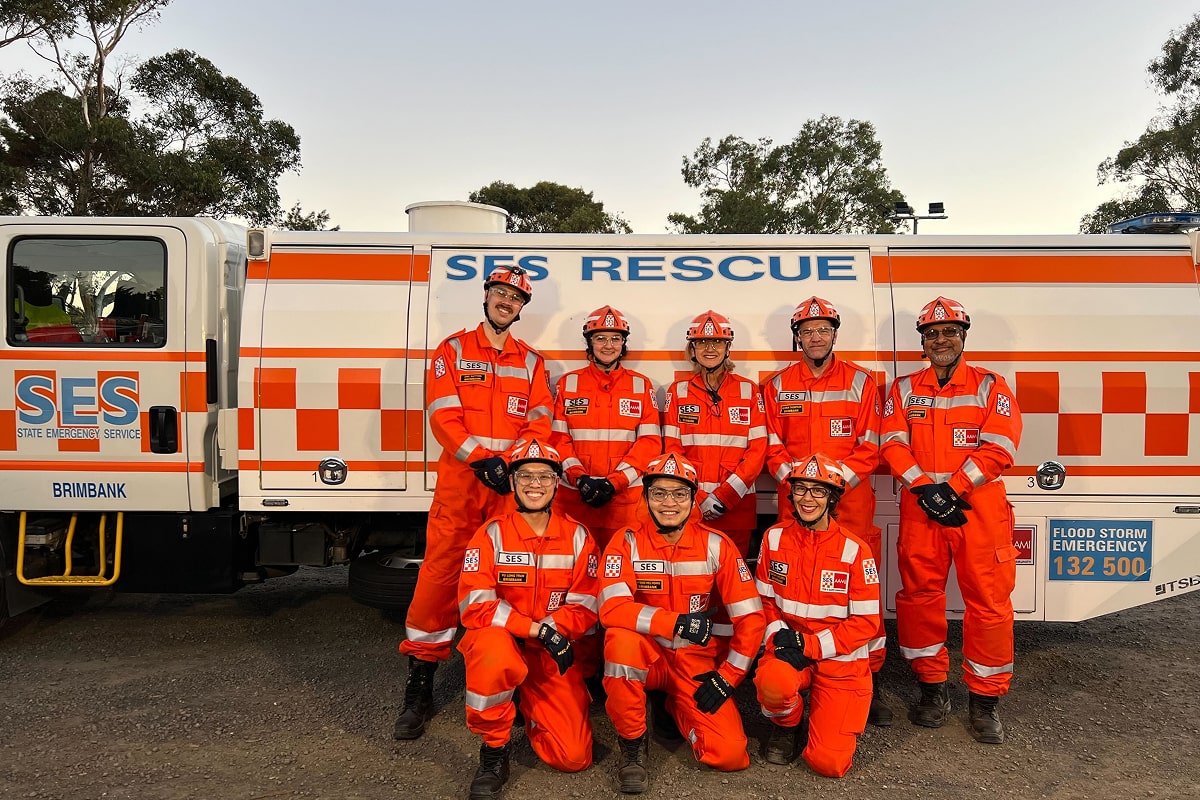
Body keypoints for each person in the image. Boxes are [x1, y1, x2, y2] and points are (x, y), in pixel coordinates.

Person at [394, 265, 555, 741]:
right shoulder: (453, 349)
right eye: (501, 292)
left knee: (512, 578)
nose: (507, 301)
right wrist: (481, 459)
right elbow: (443, 413)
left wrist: (513, 465)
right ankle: (420, 683)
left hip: (509, 489)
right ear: (486, 296)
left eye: (516, 297)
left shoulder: (532, 362)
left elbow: (540, 419)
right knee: (440, 578)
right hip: (462, 485)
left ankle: (512, 681)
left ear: (523, 308)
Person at [879, 296, 1022, 744]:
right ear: (922, 341)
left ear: (963, 337)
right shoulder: (904, 388)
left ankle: (985, 702)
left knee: (990, 604)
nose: (941, 340)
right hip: (922, 510)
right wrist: (925, 488)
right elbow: (891, 442)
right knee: (919, 598)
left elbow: (1000, 446)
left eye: (949, 332)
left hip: (977, 509)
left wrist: (953, 488)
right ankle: (931, 690)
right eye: (932, 333)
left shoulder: (989, 385)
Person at [599, 451, 765, 793]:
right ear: (646, 497)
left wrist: (729, 678)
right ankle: (632, 745)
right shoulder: (626, 541)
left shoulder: (717, 545)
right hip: (645, 653)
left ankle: (673, 703)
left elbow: (750, 618)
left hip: (694, 661)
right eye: (659, 493)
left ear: (693, 499)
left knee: (730, 755)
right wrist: (675, 623)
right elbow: (612, 609)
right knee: (620, 641)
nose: (669, 503)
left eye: (679, 494)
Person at [760, 296, 891, 726]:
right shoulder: (778, 386)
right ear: (796, 337)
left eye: (823, 330)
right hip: (797, 504)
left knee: (858, 597)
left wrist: (832, 487)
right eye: (807, 330)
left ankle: (866, 679)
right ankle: (794, 669)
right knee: (794, 589)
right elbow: (771, 446)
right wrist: (800, 487)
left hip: (849, 505)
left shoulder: (861, 382)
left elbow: (870, 446)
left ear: (835, 334)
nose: (815, 337)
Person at [457, 438, 600, 799]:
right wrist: (536, 629)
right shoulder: (491, 534)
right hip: (502, 641)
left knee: (573, 758)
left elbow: (587, 605)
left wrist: (554, 631)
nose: (534, 484)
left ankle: (527, 697)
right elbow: (475, 604)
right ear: (513, 483)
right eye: (525, 476)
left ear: (557, 483)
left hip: (549, 652)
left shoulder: (578, 537)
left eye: (544, 476)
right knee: (492, 650)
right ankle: (494, 748)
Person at [753, 453, 881, 778]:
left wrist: (808, 646)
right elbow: (763, 601)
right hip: (788, 649)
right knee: (772, 682)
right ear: (791, 494)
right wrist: (780, 639)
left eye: (818, 490)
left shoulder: (855, 550)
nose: (807, 498)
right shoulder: (774, 538)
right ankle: (789, 723)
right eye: (801, 489)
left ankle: (824, 718)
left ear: (833, 497)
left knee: (829, 764)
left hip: (840, 661)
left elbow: (866, 623)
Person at [550, 305, 663, 550]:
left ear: (624, 344)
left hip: (624, 503)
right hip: (575, 500)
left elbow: (650, 443)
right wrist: (580, 479)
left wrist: (615, 482)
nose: (608, 345)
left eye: (616, 338)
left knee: (619, 573)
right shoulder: (568, 383)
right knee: (575, 573)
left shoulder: (640, 386)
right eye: (600, 338)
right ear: (589, 343)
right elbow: (558, 439)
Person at [662, 310, 766, 558]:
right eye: (702, 342)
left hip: (736, 509)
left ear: (728, 347)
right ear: (693, 349)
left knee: (734, 586)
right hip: (689, 507)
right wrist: (697, 496)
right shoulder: (678, 392)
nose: (710, 348)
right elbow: (672, 452)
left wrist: (726, 496)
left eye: (717, 342)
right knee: (693, 581)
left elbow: (758, 450)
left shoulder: (747, 390)